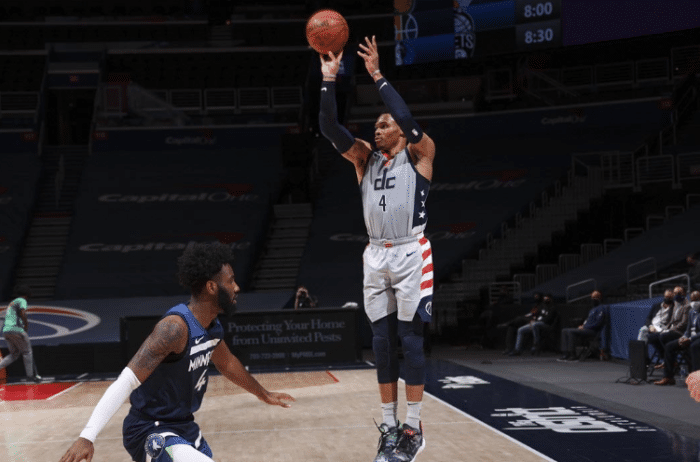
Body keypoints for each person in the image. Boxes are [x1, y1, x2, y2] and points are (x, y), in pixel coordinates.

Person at [58, 242, 295, 462]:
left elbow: (227, 363)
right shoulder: (174, 328)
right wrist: (87, 436)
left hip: (184, 427)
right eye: (230, 281)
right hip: (149, 428)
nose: (236, 287)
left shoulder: (211, 327)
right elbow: (126, 380)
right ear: (211, 287)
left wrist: (263, 394)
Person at [318, 35, 436, 462]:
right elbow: (329, 128)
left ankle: (414, 426)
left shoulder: (421, 153)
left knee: (411, 340)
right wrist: (328, 81)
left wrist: (377, 75)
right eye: (376, 125)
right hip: (375, 254)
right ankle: (389, 427)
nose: (378, 129)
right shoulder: (364, 158)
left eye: (384, 125)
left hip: (410, 253)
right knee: (382, 344)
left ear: (401, 132)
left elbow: (405, 116)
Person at [654, 290, 700, 386]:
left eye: (697, 300)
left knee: (693, 346)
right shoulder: (691, 311)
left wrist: (690, 339)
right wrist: (684, 337)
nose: (694, 302)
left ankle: (695, 378)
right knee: (669, 346)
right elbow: (688, 329)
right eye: (693, 300)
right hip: (689, 337)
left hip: (697, 338)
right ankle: (668, 377)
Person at [0, 285, 41, 382]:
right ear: (26, 294)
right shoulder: (22, 300)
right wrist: (26, 325)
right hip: (16, 329)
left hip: (6, 331)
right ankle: (30, 376)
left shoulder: (12, 302)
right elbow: (22, 312)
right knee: (27, 352)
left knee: (14, 354)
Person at [647, 285, 690, 370]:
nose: (676, 295)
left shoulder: (686, 305)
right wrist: (666, 328)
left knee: (662, 337)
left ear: (684, 293)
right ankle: (664, 361)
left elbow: (684, 323)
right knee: (650, 337)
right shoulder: (676, 304)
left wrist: (669, 329)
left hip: (680, 332)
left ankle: (669, 362)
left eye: (679, 293)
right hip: (668, 329)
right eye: (675, 293)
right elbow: (672, 321)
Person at [558, 290, 606, 361]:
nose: (593, 299)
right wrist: (582, 325)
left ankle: (572, 354)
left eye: (595, 297)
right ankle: (565, 353)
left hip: (592, 331)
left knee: (570, 332)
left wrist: (585, 327)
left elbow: (598, 323)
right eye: (592, 297)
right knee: (564, 331)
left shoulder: (602, 308)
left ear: (600, 298)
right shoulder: (592, 309)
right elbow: (587, 321)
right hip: (585, 329)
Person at [638, 289, 674, 364]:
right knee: (642, 330)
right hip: (652, 326)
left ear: (672, 297)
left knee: (653, 338)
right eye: (666, 296)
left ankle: (664, 356)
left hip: (663, 328)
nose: (667, 298)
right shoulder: (656, 305)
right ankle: (643, 358)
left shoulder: (674, 308)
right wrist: (650, 326)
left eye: (669, 297)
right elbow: (648, 318)